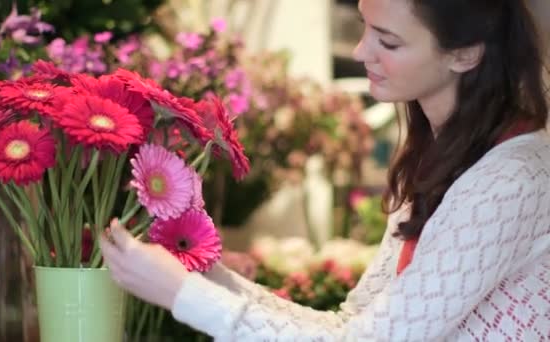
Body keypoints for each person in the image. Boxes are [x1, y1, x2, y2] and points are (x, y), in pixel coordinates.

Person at [99, 0, 550, 340]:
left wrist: (185, 295)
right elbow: (350, 325)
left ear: (465, 54)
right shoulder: (444, 159)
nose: (361, 51)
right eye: (364, 28)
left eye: (388, 41)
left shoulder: (508, 182)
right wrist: (208, 276)